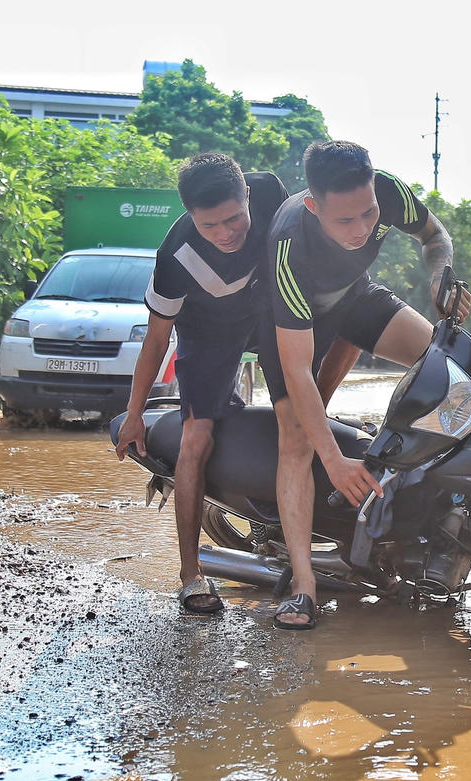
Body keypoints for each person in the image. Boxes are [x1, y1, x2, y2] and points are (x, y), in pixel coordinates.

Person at [258, 140, 471, 630]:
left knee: (446, 365)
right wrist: (333, 461)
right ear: (314, 207)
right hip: (294, 319)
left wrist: (441, 277)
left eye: (368, 215)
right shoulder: (289, 246)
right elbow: (297, 371)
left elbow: (435, 235)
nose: (361, 230)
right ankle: (303, 589)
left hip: (354, 297)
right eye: (344, 222)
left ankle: (448, 508)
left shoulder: (389, 191)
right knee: (295, 439)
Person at [116, 153, 287, 614]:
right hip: (208, 334)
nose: (227, 233)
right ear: (191, 217)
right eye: (210, 226)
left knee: (299, 417)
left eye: (234, 218)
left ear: (248, 195)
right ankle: (192, 575)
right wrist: (134, 415)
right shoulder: (175, 255)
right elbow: (156, 339)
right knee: (197, 438)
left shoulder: (272, 194)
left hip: (269, 314)